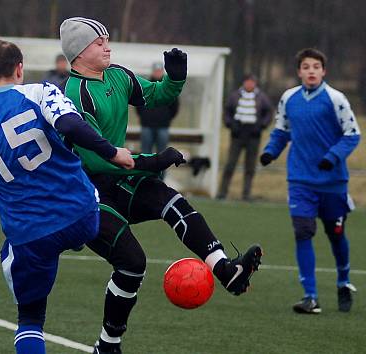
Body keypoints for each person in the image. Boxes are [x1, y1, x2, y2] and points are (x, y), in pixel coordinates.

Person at [59, 17, 263, 354]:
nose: (107, 46)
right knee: (133, 263)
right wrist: (153, 161)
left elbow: (158, 96)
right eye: (99, 42)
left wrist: (176, 76)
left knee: (173, 201)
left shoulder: (118, 75)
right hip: (85, 191)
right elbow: (96, 158)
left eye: (107, 40)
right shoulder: (75, 94)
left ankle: (226, 271)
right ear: (79, 52)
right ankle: (108, 346)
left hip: (119, 179)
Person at [0, 40, 134, 354]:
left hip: (31, 233)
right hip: (82, 215)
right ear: (20, 69)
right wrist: (113, 152)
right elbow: (71, 125)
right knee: (86, 217)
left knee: (30, 318)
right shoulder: (41, 91)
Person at [260, 48, 361, 314]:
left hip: (332, 181)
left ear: (324, 71)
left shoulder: (336, 99)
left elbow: (352, 135)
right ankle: (310, 296)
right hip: (300, 180)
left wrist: (332, 157)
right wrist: (271, 151)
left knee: (335, 234)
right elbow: (281, 131)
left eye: (316, 66)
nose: (311, 71)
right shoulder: (288, 99)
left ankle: (343, 281)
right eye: (306, 66)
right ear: (299, 71)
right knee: (303, 232)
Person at [217, 74, 273, 201]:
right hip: (237, 134)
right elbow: (227, 111)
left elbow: (269, 112)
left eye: (252, 82)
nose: (249, 85)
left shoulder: (261, 97)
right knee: (230, 164)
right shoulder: (235, 96)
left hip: (253, 135)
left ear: (255, 84)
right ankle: (222, 192)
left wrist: (261, 126)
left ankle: (246, 194)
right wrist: (230, 124)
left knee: (250, 166)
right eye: (247, 82)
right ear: (243, 83)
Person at [135, 62, 179, 154]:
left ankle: (162, 169)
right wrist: (143, 116)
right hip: (147, 125)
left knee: (162, 153)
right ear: (152, 72)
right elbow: (139, 103)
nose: (157, 73)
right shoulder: (146, 85)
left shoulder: (168, 87)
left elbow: (175, 106)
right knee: (146, 152)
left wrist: (167, 118)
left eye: (159, 71)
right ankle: (146, 169)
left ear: (163, 72)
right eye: (156, 71)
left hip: (163, 126)